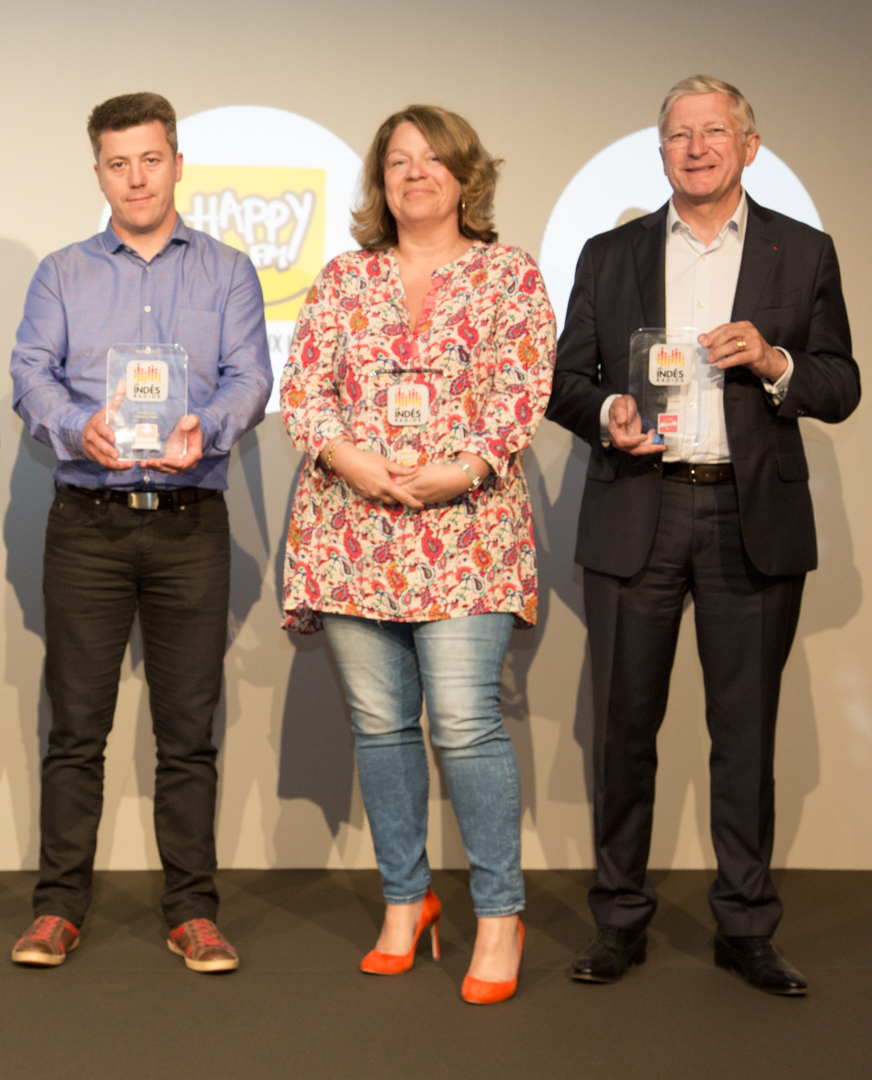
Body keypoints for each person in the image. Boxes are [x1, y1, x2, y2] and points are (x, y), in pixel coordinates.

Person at [546, 75, 860, 996]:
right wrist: (607, 409)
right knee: (624, 727)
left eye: (713, 132)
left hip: (746, 514)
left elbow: (839, 384)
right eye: (679, 134)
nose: (696, 148)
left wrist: (774, 361)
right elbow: (567, 381)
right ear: (662, 150)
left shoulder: (800, 252)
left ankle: (746, 928)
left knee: (745, 731)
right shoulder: (609, 254)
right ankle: (619, 920)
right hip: (637, 501)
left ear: (749, 147)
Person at [280, 105, 553, 1003]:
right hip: (353, 529)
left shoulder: (509, 276)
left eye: (434, 158)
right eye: (398, 161)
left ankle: (501, 914)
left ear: (466, 176)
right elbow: (305, 392)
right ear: (380, 181)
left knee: (467, 722)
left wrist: (461, 468)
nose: (415, 172)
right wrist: (354, 461)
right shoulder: (342, 278)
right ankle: (407, 900)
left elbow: (523, 389)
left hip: (467, 530)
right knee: (381, 727)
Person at [7, 92, 270, 973]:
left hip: (192, 522)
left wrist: (214, 424)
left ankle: (193, 911)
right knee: (76, 729)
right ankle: (57, 909)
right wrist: (76, 426)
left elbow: (250, 377)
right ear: (98, 173)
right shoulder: (62, 272)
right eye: (117, 163)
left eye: (149, 159)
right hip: (88, 522)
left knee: (186, 731)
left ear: (177, 162)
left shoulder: (228, 270)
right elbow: (29, 372)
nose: (135, 177)